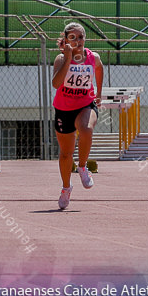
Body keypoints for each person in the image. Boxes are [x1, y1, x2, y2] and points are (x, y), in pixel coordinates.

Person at [51, 22, 103, 210]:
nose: (78, 41)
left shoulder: (93, 57)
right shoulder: (60, 59)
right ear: (66, 41)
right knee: (66, 154)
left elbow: (99, 68)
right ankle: (66, 188)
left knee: (86, 128)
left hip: (85, 103)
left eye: (80, 37)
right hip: (64, 108)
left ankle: (82, 167)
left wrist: (98, 93)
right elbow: (56, 84)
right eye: (72, 38)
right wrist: (68, 58)